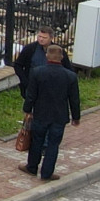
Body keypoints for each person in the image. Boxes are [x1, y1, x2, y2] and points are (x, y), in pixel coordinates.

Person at [21, 44, 83, 181]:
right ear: (62, 58)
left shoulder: (37, 72)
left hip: (40, 113)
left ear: (47, 56)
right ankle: (47, 173)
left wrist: (27, 110)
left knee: (37, 141)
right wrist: (76, 117)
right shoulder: (70, 76)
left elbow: (31, 95)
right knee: (53, 144)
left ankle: (32, 167)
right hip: (59, 116)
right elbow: (74, 99)